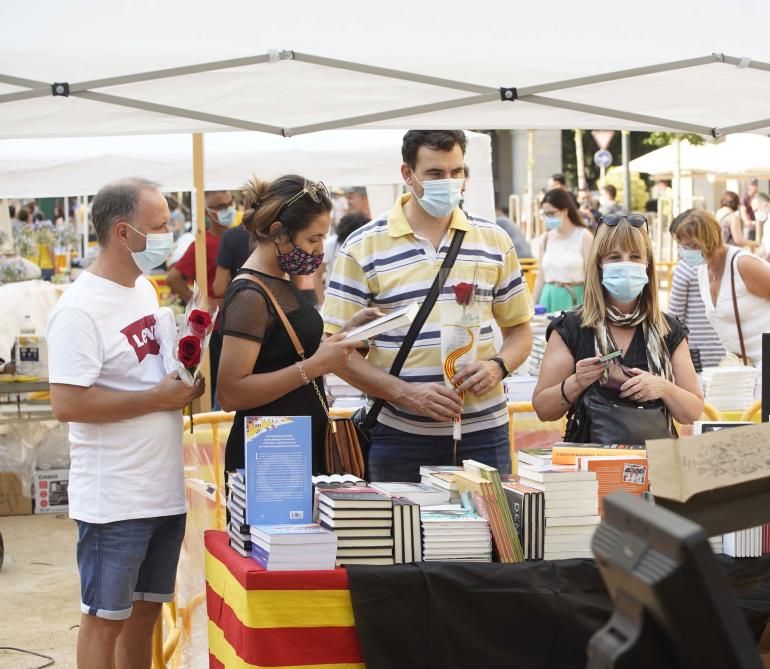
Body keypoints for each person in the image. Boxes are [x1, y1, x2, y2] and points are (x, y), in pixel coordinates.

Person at [46, 177, 205, 669]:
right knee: (105, 618)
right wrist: (158, 397)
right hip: (114, 498)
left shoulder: (141, 290)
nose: (168, 236)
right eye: (158, 227)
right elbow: (67, 403)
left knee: (146, 614)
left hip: (160, 489)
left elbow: (148, 378)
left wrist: (184, 379)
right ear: (122, 232)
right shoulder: (79, 309)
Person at [323, 130, 534, 482]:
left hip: (484, 432)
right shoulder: (363, 246)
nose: (449, 183)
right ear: (408, 174)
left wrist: (498, 366)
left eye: (457, 172)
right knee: (403, 536)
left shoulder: (494, 241)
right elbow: (333, 352)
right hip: (399, 434)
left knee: (489, 537)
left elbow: (519, 331)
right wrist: (405, 394)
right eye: (435, 174)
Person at [215, 175, 377, 475]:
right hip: (270, 456)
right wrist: (315, 367)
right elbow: (230, 393)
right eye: (313, 239)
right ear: (278, 232)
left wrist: (345, 333)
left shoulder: (280, 280)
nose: (318, 250)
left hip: (292, 447)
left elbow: (288, 352)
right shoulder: (250, 295)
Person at [532, 213, 704, 434]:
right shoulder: (572, 328)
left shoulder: (668, 329)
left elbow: (692, 413)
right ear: (599, 263)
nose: (625, 265)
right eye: (614, 257)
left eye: (634, 256)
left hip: (656, 460)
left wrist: (663, 387)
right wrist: (578, 381)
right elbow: (543, 409)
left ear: (647, 264)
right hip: (590, 460)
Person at [673, 209, 770, 366]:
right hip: (745, 365)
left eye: (687, 246)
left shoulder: (744, 264)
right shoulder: (702, 269)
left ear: (705, 242)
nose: (682, 253)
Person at [666, 212, 726, 370]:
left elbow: (674, 317)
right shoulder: (725, 266)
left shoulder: (684, 269)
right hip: (726, 350)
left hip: (694, 350)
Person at [167, 190, 234, 308]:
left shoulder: (239, 237)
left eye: (230, 204)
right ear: (207, 212)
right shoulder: (203, 244)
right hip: (218, 320)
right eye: (221, 207)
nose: (228, 210)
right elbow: (173, 278)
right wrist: (201, 303)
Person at [533, 188, 593, 313]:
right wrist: (532, 306)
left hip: (575, 299)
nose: (547, 218)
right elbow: (540, 278)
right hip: (548, 297)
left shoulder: (584, 236)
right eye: (544, 214)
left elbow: (591, 277)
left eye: (551, 213)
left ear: (565, 211)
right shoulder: (544, 239)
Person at [740, 177, 759, 241]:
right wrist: (746, 221)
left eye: (755, 185)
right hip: (749, 225)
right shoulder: (745, 197)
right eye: (752, 185)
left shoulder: (758, 196)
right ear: (749, 186)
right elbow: (743, 211)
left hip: (758, 223)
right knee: (749, 242)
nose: (754, 187)